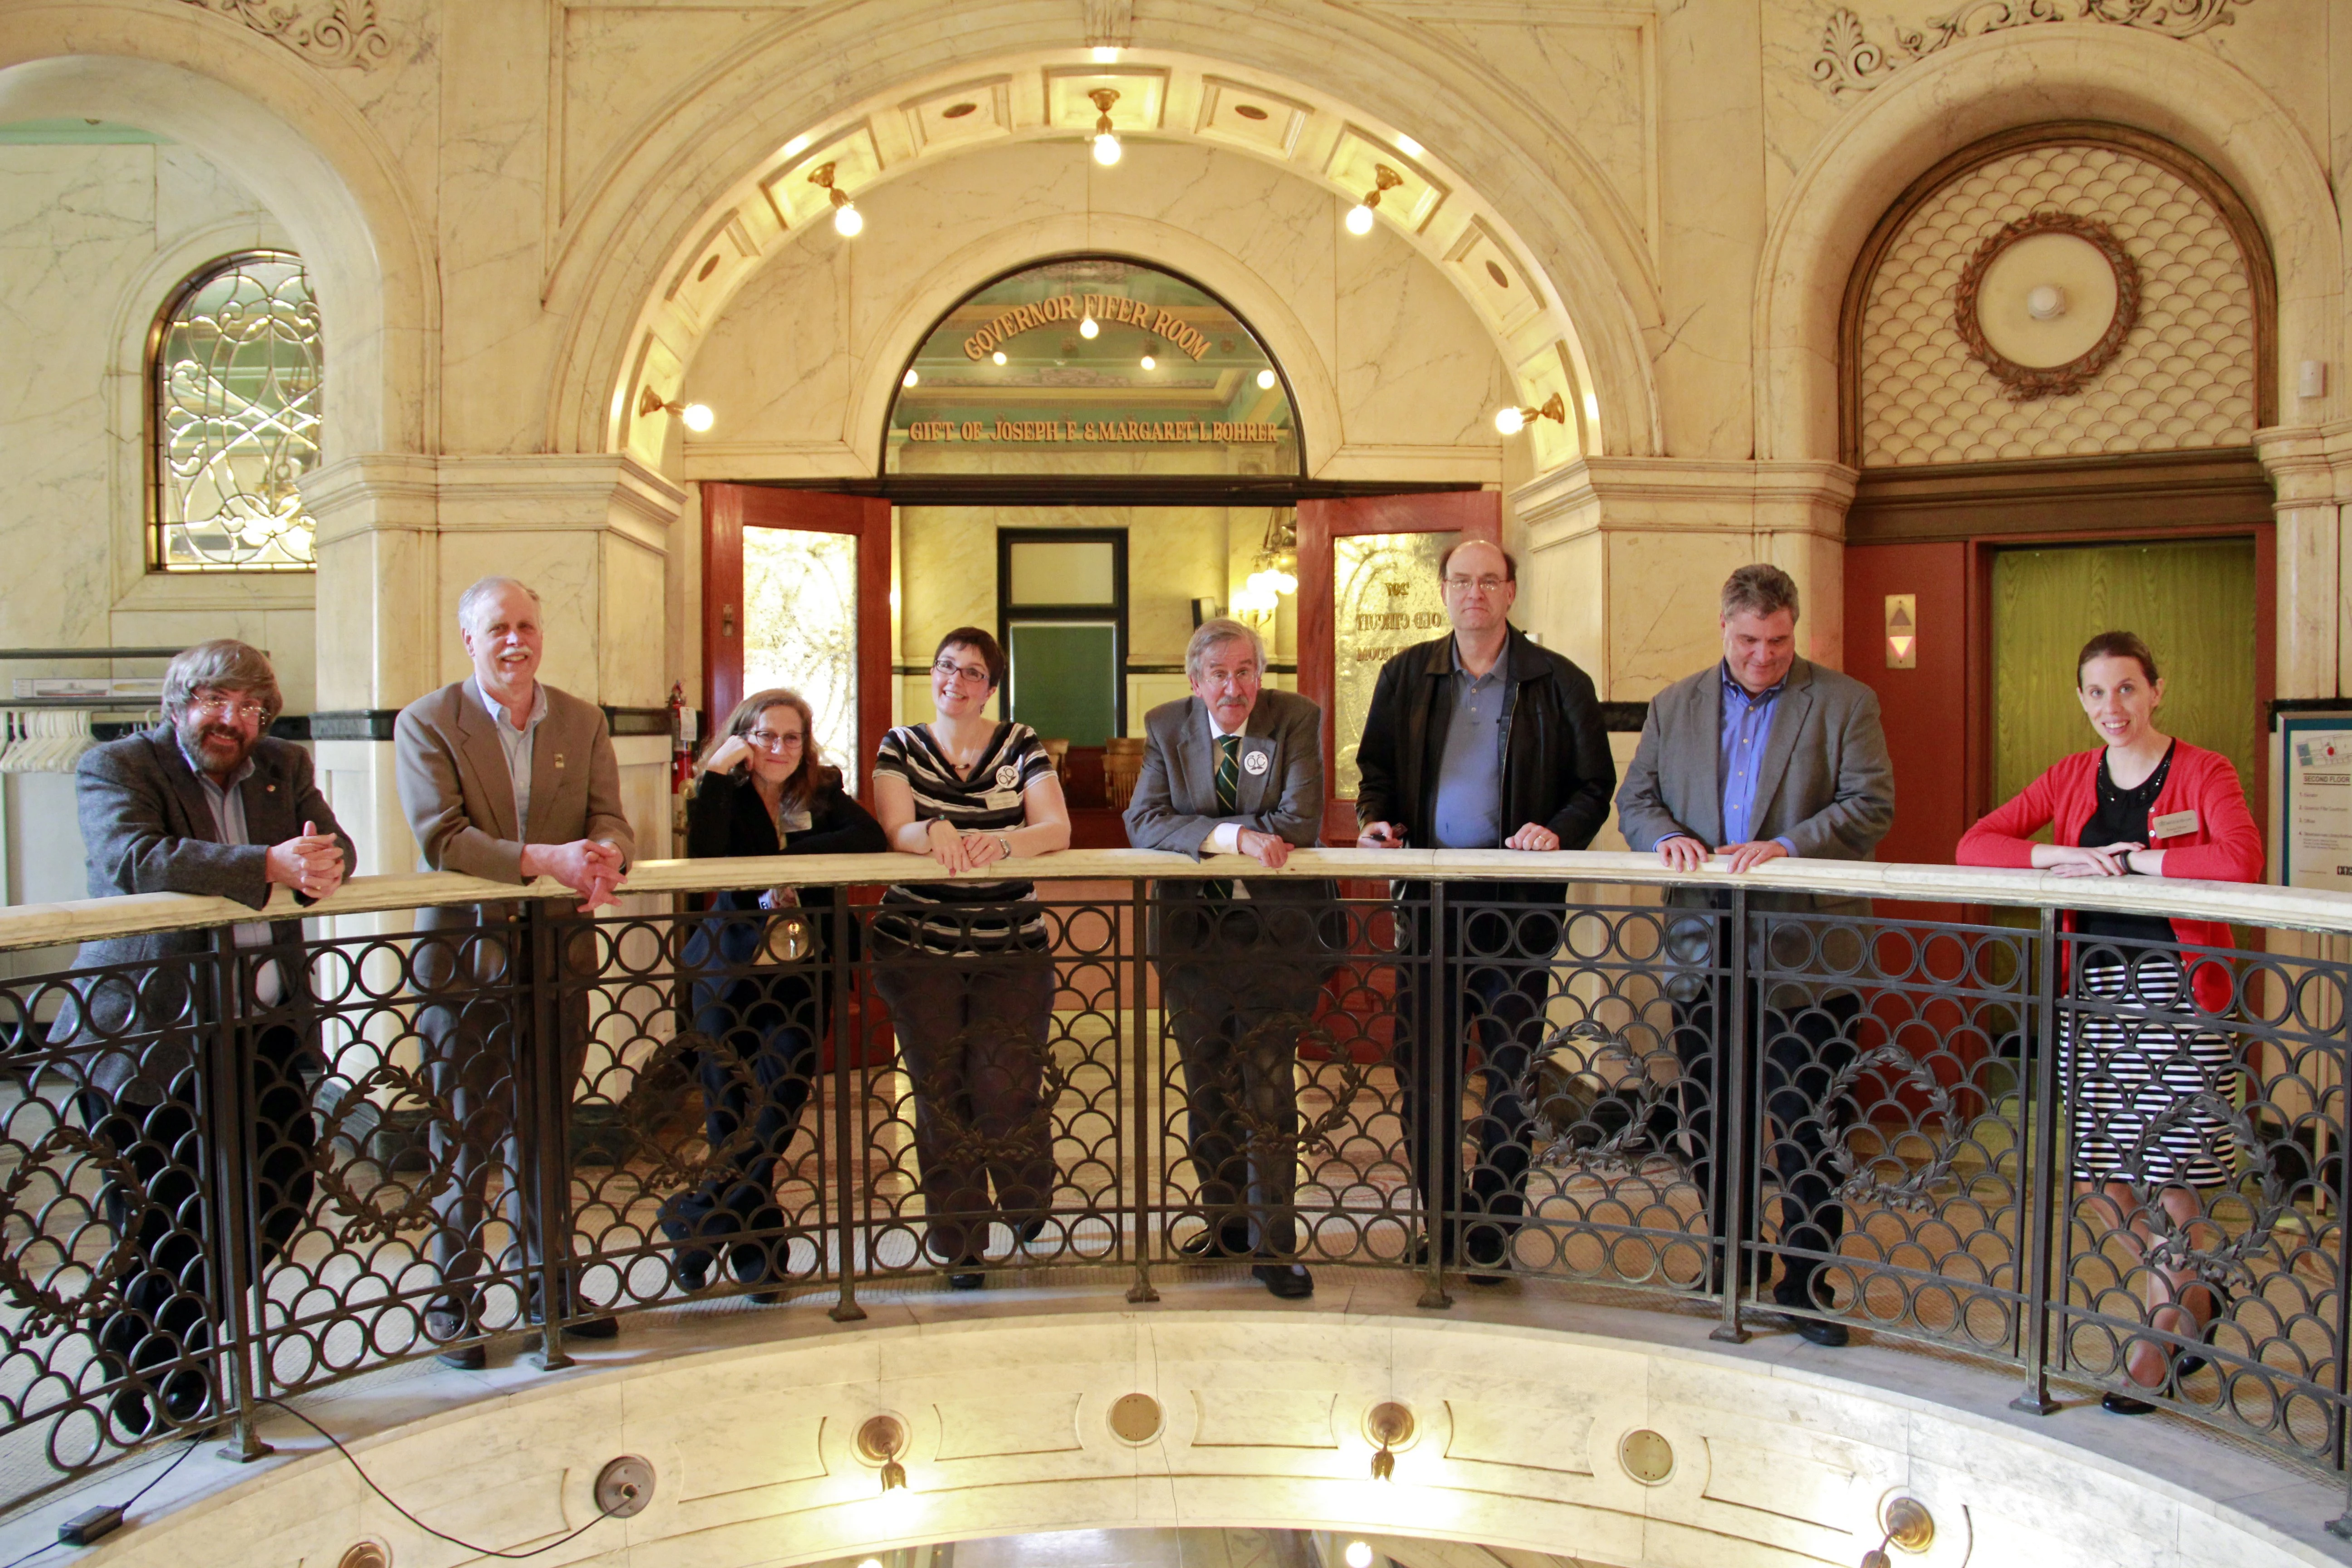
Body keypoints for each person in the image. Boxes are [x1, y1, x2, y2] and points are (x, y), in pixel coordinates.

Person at [54, 639, 354, 1438]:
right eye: (217, 702)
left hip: (262, 1032)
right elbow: (132, 859)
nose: (235, 722)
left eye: (253, 709)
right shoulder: (120, 766)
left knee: (281, 1191)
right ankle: (159, 1374)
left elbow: (336, 847)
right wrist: (266, 863)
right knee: (162, 1216)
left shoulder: (281, 767)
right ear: (179, 702)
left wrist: (323, 862)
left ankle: (144, 1341)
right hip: (150, 1031)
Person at [1955, 630, 2260, 1414]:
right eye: (2096, 692)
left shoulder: (2203, 770)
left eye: (2126, 688)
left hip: (2175, 994)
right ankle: (2196, 1292)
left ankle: (2157, 1337)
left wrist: (2137, 863)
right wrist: (2061, 859)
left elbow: (2238, 861)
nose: (2111, 707)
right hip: (2089, 998)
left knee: (2172, 1176)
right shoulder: (2069, 777)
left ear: (2155, 690)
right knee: (2099, 1177)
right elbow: (1974, 845)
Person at [1615, 563, 1894, 1348]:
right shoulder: (1677, 705)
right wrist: (1665, 836)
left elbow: (1872, 803)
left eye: (1777, 642)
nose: (1763, 657)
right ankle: (1732, 1258)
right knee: (1713, 1117)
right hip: (1703, 946)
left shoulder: (1844, 702)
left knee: (1807, 1122)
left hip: (1809, 951)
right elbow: (1636, 798)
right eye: (1748, 641)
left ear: (1793, 630)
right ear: (1723, 628)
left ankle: (1806, 1282)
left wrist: (1787, 846)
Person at [1356, 539, 1615, 1283]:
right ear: (1443, 590)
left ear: (1510, 593)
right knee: (1424, 1074)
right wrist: (1378, 818)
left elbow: (1594, 786)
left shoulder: (1559, 681)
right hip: (1430, 908)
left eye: (1489, 581)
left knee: (1508, 1075)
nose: (1474, 592)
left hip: (1518, 911)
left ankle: (1493, 1229)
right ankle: (1440, 1222)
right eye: (1461, 581)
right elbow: (1376, 769)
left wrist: (1558, 829)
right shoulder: (1407, 675)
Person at [394, 575, 637, 1367]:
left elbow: (609, 815)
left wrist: (607, 855)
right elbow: (445, 837)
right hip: (467, 963)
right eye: (498, 628)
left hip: (558, 958)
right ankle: (454, 1303)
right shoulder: (429, 722)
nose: (515, 641)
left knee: (548, 1136)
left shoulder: (582, 719)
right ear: (469, 640)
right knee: (467, 1137)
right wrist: (549, 860)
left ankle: (550, 1291)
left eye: (527, 625)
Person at [1125, 618, 1334, 1299]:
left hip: (1277, 939)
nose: (1233, 687)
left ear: (1260, 675)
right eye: (1218, 674)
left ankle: (1276, 1248)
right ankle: (1226, 1225)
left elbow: (1301, 819)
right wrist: (1234, 836)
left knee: (1270, 1092)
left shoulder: (1296, 719)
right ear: (1195, 683)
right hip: (1195, 940)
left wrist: (1223, 834)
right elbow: (1145, 820)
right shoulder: (1166, 726)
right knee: (1207, 1088)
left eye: (1245, 671)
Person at [871, 627, 1073, 1288]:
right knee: (940, 1094)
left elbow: (1056, 828)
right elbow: (896, 827)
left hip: (1010, 946)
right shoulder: (900, 745)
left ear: (992, 686)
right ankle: (959, 1243)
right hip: (917, 948)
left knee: (1004, 1083)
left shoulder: (1021, 743)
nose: (956, 681)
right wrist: (933, 830)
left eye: (973, 672)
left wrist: (1007, 845)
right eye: (946, 668)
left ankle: (1025, 1190)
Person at [669, 687, 886, 1298]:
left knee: (781, 1100)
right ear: (744, 736)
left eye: (792, 737)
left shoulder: (820, 792)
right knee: (728, 1111)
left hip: (801, 971)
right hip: (727, 970)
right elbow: (706, 856)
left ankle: (695, 1223)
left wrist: (788, 851)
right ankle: (756, 1254)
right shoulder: (724, 789)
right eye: (766, 735)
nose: (780, 748)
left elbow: (869, 841)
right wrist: (717, 771)